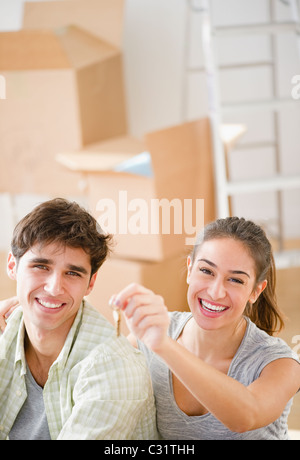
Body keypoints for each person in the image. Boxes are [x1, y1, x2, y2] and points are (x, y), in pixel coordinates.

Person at [110, 217, 300, 440]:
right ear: (190, 269)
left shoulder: (280, 364)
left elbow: (245, 417)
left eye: (236, 280)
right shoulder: (148, 339)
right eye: (207, 271)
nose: (216, 292)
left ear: (256, 291)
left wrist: (163, 346)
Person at [0, 198, 158, 440]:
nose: (54, 288)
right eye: (41, 266)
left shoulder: (113, 368)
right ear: (13, 265)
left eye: (72, 273)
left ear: (90, 283)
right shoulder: (7, 332)